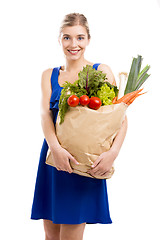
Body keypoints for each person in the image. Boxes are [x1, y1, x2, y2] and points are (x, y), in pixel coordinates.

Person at [31, 13, 128, 240]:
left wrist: (113, 153)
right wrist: (54, 148)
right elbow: (45, 115)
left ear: (88, 40)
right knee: (51, 236)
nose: (73, 45)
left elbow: (119, 118)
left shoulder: (101, 71)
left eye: (80, 38)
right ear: (59, 40)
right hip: (54, 159)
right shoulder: (49, 75)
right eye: (67, 38)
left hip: (83, 162)